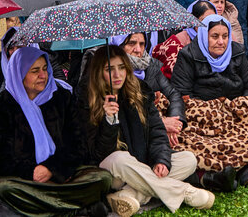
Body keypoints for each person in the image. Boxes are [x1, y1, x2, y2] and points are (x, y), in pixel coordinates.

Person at [79, 45, 213, 215]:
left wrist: (161, 161)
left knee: (188, 160)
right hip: (112, 171)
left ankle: (129, 195)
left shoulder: (140, 90)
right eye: (109, 69)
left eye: (121, 68)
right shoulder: (86, 99)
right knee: (119, 158)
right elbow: (97, 153)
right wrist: (109, 120)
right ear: (99, 72)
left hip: (142, 164)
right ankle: (185, 192)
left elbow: (157, 131)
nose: (117, 75)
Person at [0, 47, 113, 216]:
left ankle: (45, 209)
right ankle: (76, 211)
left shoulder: (61, 97)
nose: (43, 75)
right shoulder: (2, 107)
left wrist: (54, 168)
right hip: (28, 182)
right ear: (19, 74)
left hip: (64, 178)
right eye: (35, 71)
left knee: (102, 179)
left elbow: (78, 144)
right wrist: (31, 171)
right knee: (1, 189)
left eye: (45, 69)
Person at [111, 34, 186, 145]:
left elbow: (173, 94)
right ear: (119, 45)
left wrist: (175, 123)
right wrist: (160, 124)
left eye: (142, 44)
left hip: (160, 129)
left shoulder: (150, 65)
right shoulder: (110, 72)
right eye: (131, 43)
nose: (138, 50)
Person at [171, 15, 248, 101]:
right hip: (201, 109)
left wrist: (241, 105)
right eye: (215, 36)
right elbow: (183, 93)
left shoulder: (237, 52)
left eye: (225, 36)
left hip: (236, 107)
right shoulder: (188, 55)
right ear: (204, 36)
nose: (221, 42)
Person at [152, 0, 217, 79]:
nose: (209, 24)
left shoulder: (223, 38)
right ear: (193, 21)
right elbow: (173, 74)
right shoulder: (179, 41)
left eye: (213, 20)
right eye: (203, 20)